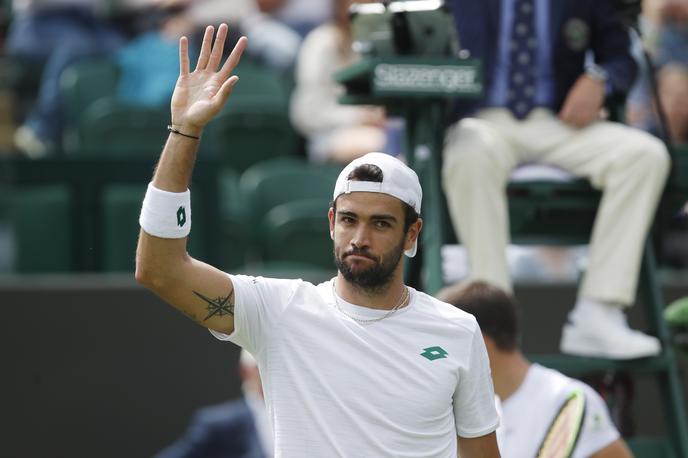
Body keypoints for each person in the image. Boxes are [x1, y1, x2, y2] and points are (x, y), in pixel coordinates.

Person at [135, 23, 500, 457]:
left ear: (411, 233)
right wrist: (184, 132)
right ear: (331, 222)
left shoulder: (457, 330)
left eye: (381, 224)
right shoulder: (278, 311)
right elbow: (160, 270)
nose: (359, 237)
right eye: (349, 219)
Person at [443, 0, 671, 359]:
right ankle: (492, 318)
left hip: (561, 120)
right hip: (483, 119)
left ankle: (599, 311)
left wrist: (600, 79)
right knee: (470, 151)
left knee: (644, 156)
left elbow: (620, 56)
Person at [439, 280, 634, 458]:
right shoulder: (467, 413)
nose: (443, 358)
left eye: (449, 342)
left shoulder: (566, 398)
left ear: (479, 341)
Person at [290, 0, 391, 164]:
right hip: (328, 136)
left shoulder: (379, 42)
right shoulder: (321, 41)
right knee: (386, 146)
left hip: (375, 129)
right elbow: (306, 114)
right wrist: (358, 117)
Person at [155, 350, 272, 458]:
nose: (270, 373)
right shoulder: (220, 424)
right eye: (260, 366)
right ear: (245, 370)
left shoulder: (289, 414)